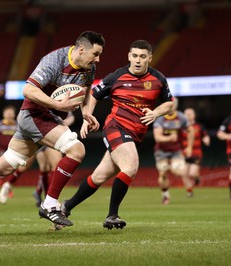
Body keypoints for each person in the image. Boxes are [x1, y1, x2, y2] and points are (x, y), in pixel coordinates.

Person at [0, 31, 105, 227]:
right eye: (95, 54)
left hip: (47, 118)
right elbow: (28, 90)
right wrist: (56, 106)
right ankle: (49, 205)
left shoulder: (88, 68)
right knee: (76, 149)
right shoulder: (54, 61)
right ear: (81, 49)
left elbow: (87, 89)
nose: (98, 59)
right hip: (34, 115)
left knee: (6, 165)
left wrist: (85, 113)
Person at [60, 39, 174, 230]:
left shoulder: (158, 79)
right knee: (130, 167)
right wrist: (87, 117)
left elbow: (169, 103)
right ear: (129, 56)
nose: (138, 60)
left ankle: (65, 207)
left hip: (135, 135)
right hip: (116, 127)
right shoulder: (116, 77)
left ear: (150, 58)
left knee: (98, 177)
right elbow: (94, 96)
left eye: (142, 57)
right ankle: (112, 215)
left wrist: (155, 113)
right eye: (135, 56)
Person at [153, 97, 194, 204]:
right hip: (161, 151)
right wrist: (169, 138)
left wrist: (189, 147)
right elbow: (158, 137)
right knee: (162, 175)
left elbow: (191, 131)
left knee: (179, 171)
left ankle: (171, 167)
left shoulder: (181, 117)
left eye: (173, 104)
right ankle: (165, 196)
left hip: (176, 151)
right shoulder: (160, 119)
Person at [32, 112, 75, 207]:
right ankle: (45, 196)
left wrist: (62, 123)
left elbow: (71, 117)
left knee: (55, 166)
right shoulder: (40, 102)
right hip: (40, 136)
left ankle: (49, 198)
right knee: (44, 168)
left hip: (52, 135)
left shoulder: (58, 100)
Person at [181, 108, 210, 191]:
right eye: (187, 114)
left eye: (190, 114)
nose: (188, 116)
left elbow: (205, 135)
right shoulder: (181, 127)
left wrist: (206, 139)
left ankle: (197, 178)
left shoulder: (199, 126)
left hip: (196, 153)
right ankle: (189, 191)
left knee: (192, 173)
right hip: (184, 153)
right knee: (184, 173)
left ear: (194, 116)